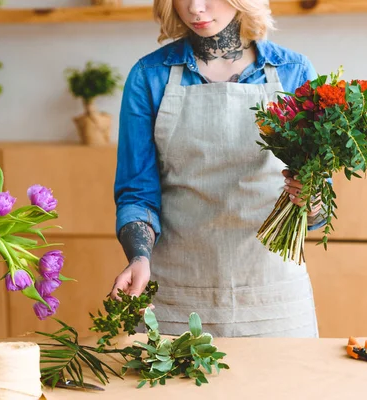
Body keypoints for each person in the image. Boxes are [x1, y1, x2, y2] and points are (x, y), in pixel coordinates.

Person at [111, 0, 326, 337]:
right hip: (175, 296)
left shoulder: (293, 71)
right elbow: (137, 192)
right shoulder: (149, 76)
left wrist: (311, 200)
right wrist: (138, 257)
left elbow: (318, 209)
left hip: (273, 296)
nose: (196, 8)